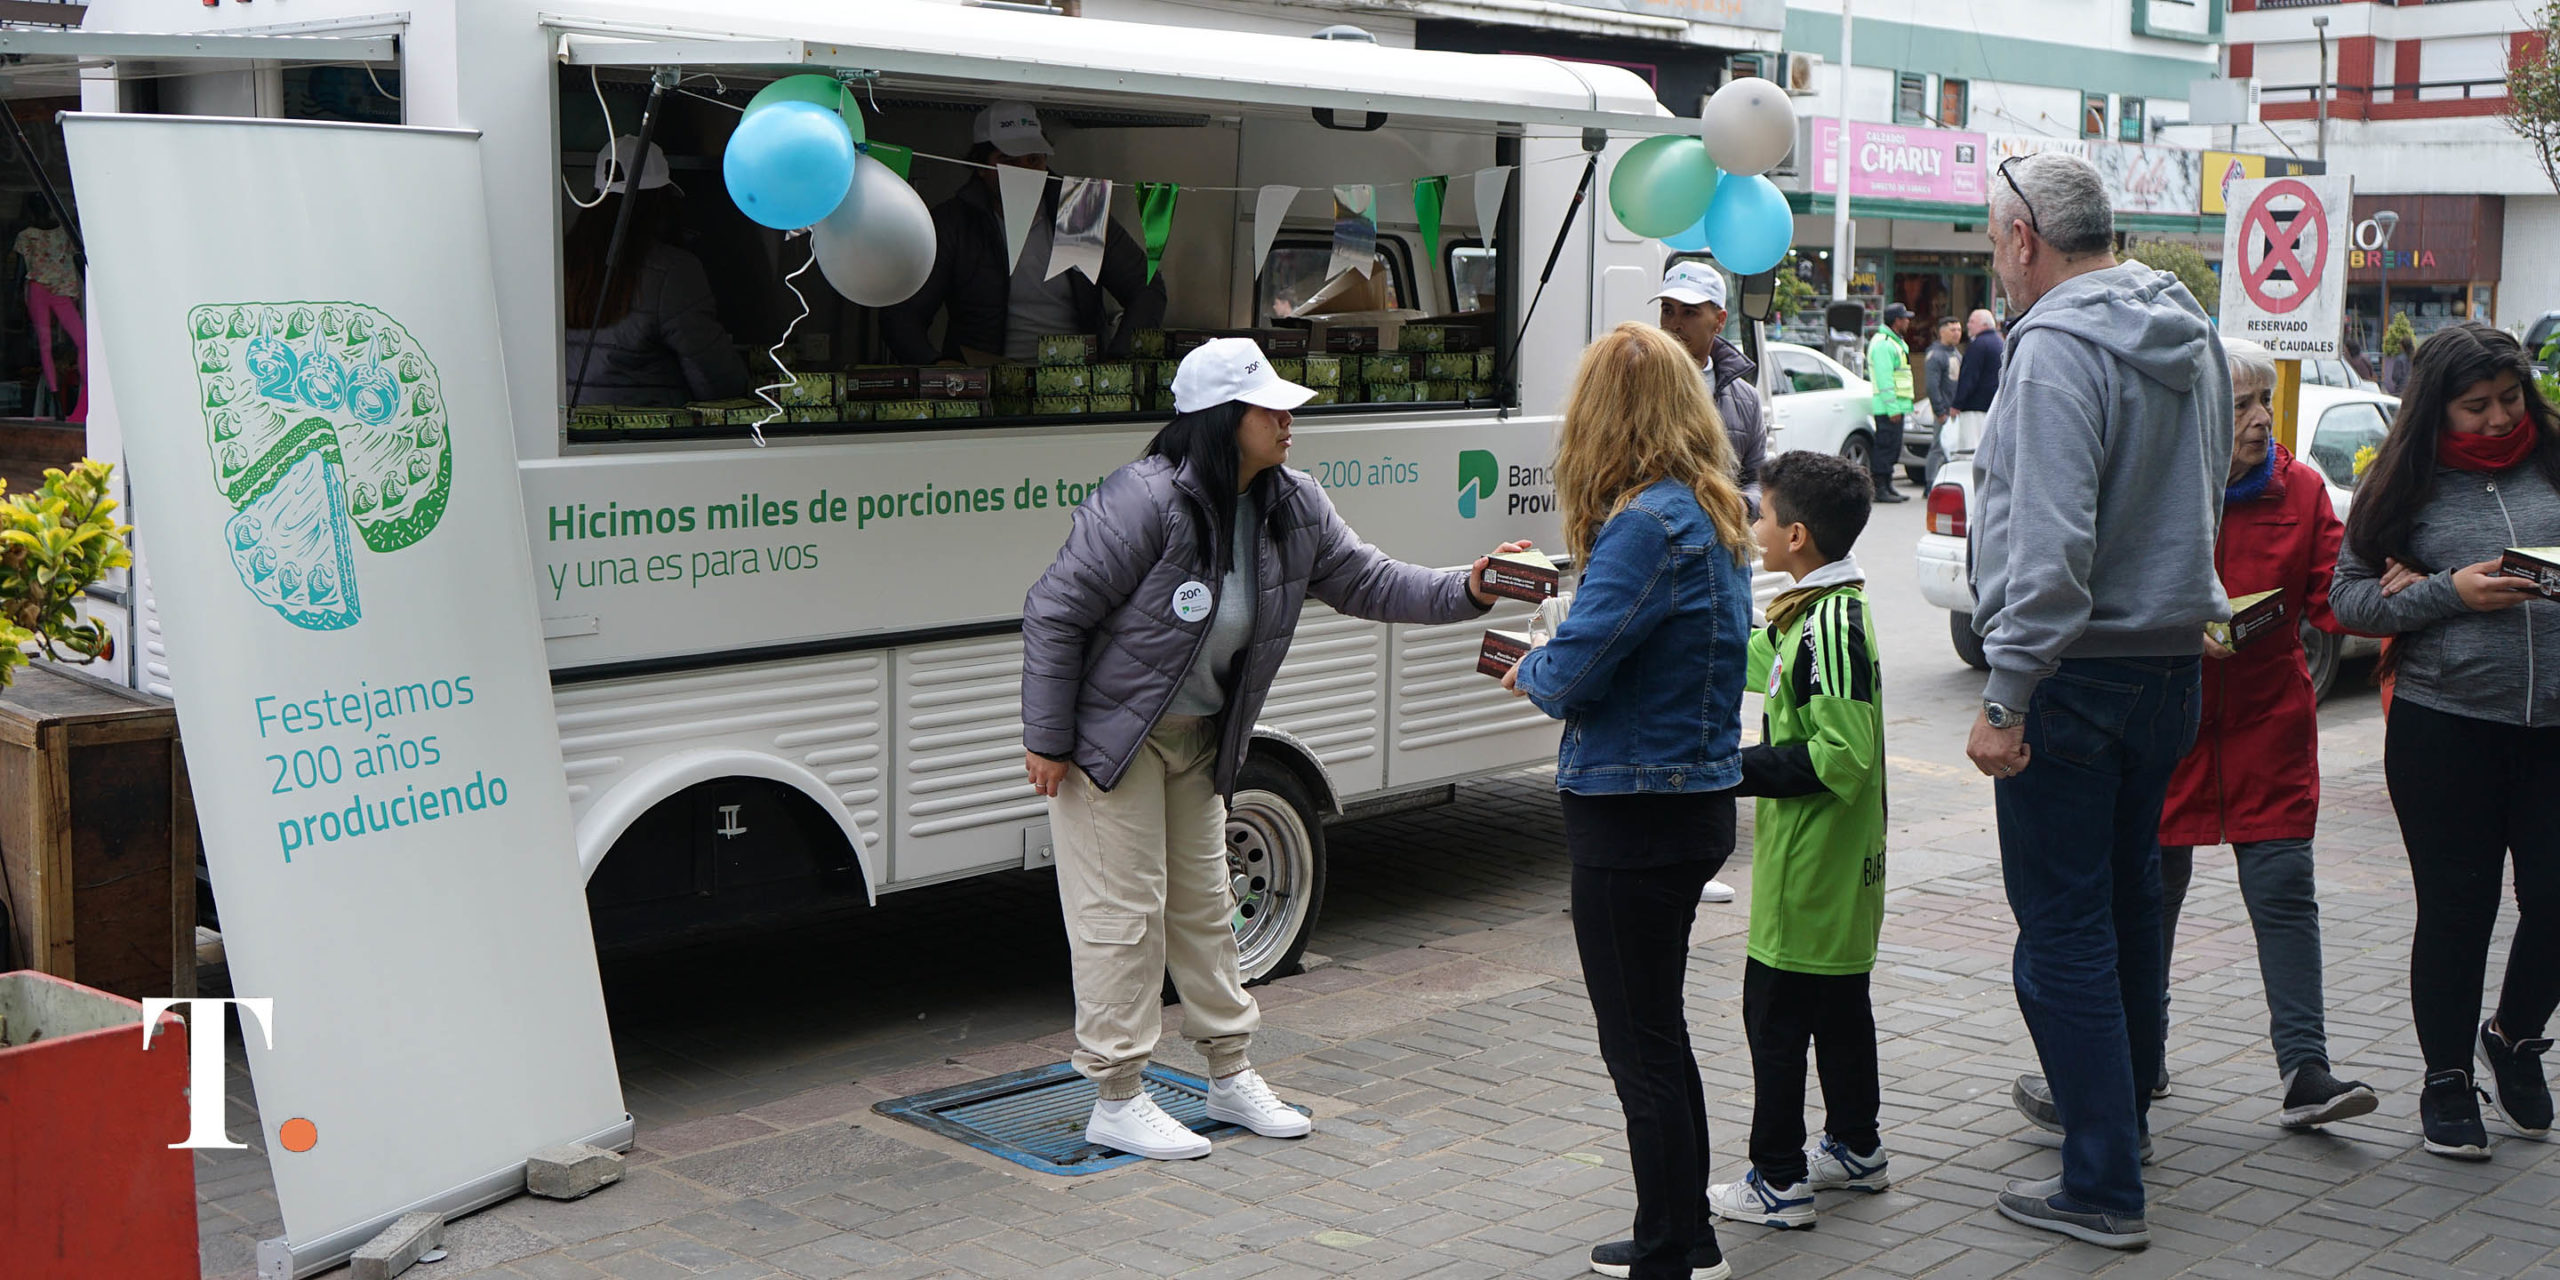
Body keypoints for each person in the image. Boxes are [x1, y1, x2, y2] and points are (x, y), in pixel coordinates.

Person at [1020, 338, 1522, 1161]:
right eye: (1269, 408)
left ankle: (1228, 1073)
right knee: (1124, 922)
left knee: (1206, 911)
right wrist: (1045, 738)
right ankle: (1116, 1095)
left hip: (1202, 740)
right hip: (1112, 745)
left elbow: (1371, 580)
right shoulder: (1143, 500)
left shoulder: (1292, 503)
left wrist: (1470, 587)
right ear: (1221, 422)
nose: (1288, 420)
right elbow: (1053, 612)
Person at [2013, 339, 2380, 1138]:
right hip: (2166, 728)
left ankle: (2305, 1070)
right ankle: (2136, 1065)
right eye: (2237, 406)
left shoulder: (2305, 491)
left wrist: (2399, 587)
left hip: (2267, 729)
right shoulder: (2156, 488)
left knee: (2284, 891)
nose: (2256, 422)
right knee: (2148, 902)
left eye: (2264, 406)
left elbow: (2332, 602)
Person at [1967, 152, 2231, 1251]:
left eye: (1992, 242)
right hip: (2170, 660)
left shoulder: (2055, 350)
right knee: (2125, 900)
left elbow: (2050, 547)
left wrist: (2006, 692)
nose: (1994, 264)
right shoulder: (2190, 333)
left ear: (2026, 237)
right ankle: (2117, 1111)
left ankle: (2103, 1178)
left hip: (2076, 675)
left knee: (2064, 926)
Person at [1500, 323, 1755, 1280]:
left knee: (1639, 1042)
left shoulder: (1647, 522)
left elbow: (1577, 674)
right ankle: (1681, 1232)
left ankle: (1672, 1251)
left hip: (1635, 812)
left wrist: (1531, 662)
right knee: (1659, 1031)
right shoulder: (1708, 507)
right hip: (1684, 804)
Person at [2330, 322, 2560, 1160]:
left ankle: (2516, 1034)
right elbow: (2350, 602)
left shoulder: (2555, 457)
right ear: (2437, 411)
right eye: (2476, 407)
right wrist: (2448, 594)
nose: (2500, 419)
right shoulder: (2402, 488)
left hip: (2554, 730)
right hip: (2445, 728)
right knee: (2459, 911)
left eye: (2509, 399)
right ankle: (2445, 1081)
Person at [1702, 451, 1893, 1232]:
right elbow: (1763, 665)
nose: (1755, 526)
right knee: (1840, 1009)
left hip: (1816, 871)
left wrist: (1726, 767)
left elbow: (1840, 755)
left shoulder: (1833, 626)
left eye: (1765, 515)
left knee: (1775, 1022)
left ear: (1799, 537)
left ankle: (1777, 1179)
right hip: (1822, 870)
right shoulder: (1811, 616)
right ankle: (1855, 1144)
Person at [884, 101, 1167, 365]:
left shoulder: (1077, 212)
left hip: (1077, 382)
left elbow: (1147, 288)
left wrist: (1118, 360)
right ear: (980, 167)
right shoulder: (956, 222)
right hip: (986, 385)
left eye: (1034, 160)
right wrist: (936, 372)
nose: (1024, 172)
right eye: (1010, 161)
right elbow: (903, 310)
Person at [563, 137, 749, 409]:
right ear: (659, 201)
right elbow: (716, 381)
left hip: (570, 436)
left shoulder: (560, 262)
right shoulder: (672, 270)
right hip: (647, 439)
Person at [1652, 260, 1767, 519]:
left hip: (1719, 550)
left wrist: (1742, 505)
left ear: (1719, 320)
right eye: (1667, 310)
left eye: (1689, 312)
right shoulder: (1635, 385)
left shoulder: (1745, 398)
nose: (1674, 324)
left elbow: (1759, 480)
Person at [13, 194, 84, 422]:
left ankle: (67, 395)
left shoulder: (35, 235)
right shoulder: (32, 236)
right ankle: (58, 399)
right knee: (67, 342)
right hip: (49, 289)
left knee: (72, 342)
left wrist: (14, 298)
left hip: (50, 290)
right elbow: (77, 262)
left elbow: (19, 272)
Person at [1865, 304, 1914, 503]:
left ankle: (1888, 484)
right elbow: (1885, 380)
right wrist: (1892, 407)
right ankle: (1879, 488)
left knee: (1893, 447)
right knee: (1885, 447)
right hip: (1887, 407)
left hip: (1896, 406)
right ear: (1896, 321)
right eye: (1905, 318)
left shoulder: (1894, 342)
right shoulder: (1883, 344)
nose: (1908, 322)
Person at [1945, 308, 2004, 458]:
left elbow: (1969, 378)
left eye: (1972, 321)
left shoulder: (1978, 345)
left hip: (1974, 409)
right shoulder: (2000, 342)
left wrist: (1957, 404)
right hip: (1993, 406)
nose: (1968, 325)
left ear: (1983, 324)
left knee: (1970, 451)